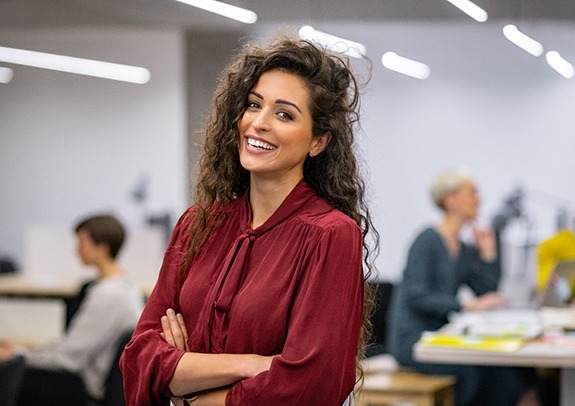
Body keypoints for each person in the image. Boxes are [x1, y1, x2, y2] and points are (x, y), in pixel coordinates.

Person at [119, 35, 378, 406]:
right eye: (254, 105)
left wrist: (191, 391)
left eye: (284, 114)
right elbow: (139, 358)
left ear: (318, 141)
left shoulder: (330, 235)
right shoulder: (197, 225)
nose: (259, 123)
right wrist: (250, 364)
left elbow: (312, 384)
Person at [386, 169, 541, 406]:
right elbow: (418, 295)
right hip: (414, 340)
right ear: (450, 199)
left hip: (441, 338)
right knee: (480, 373)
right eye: (472, 192)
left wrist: (488, 253)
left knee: (521, 370)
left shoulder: (464, 248)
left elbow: (485, 290)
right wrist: (466, 306)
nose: (479, 199)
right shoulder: (427, 240)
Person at [0, 214, 145, 405]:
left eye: (82, 242)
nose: (77, 249)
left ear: (102, 248)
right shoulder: (126, 285)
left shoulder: (108, 295)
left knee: (8, 374)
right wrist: (28, 349)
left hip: (85, 387)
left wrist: (18, 354)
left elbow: (68, 359)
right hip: (93, 379)